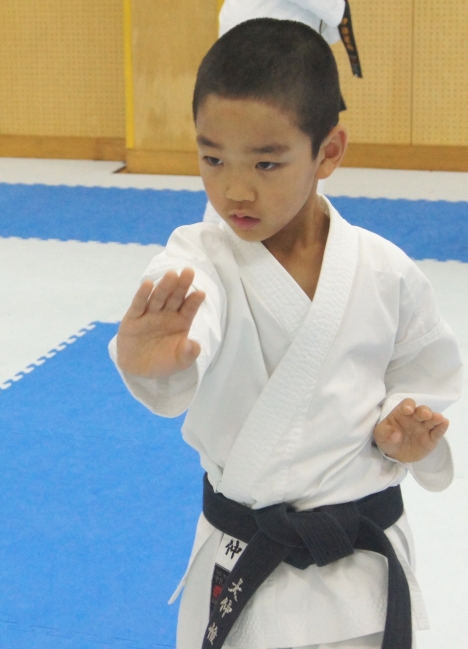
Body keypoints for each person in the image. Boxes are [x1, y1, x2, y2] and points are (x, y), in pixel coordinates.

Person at [110, 19, 459, 649]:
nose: (234, 189)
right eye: (211, 158)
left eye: (267, 162)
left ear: (329, 152)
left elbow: (423, 377)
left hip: (360, 576)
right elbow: (196, 323)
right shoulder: (198, 261)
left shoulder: (384, 270)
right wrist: (150, 363)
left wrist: (404, 427)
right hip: (249, 567)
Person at [203, 0, 356, 224]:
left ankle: (215, 245)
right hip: (270, 68)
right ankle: (216, 246)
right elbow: (333, 11)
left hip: (261, 60)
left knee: (240, 163)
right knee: (296, 157)